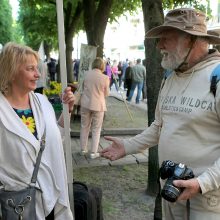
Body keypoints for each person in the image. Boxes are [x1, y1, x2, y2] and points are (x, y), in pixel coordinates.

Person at [101, 8, 220, 220]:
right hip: (171, 191)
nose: (159, 46)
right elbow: (159, 126)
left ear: (191, 40)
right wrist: (127, 146)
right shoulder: (171, 77)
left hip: (207, 200)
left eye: (167, 38)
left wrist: (203, 183)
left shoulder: (216, 77)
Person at [0, 42, 75, 220]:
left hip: (51, 196)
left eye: (37, 68)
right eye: (30, 68)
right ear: (11, 72)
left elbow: (55, 140)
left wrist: (67, 111)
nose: (38, 74)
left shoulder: (42, 101)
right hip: (17, 203)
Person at [80, 57, 109, 159]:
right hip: (98, 105)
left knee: (84, 126)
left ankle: (83, 149)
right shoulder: (105, 78)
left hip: (86, 104)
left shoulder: (86, 74)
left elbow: (82, 88)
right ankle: (93, 152)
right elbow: (106, 93)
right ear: (102, 66)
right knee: (96, 129)